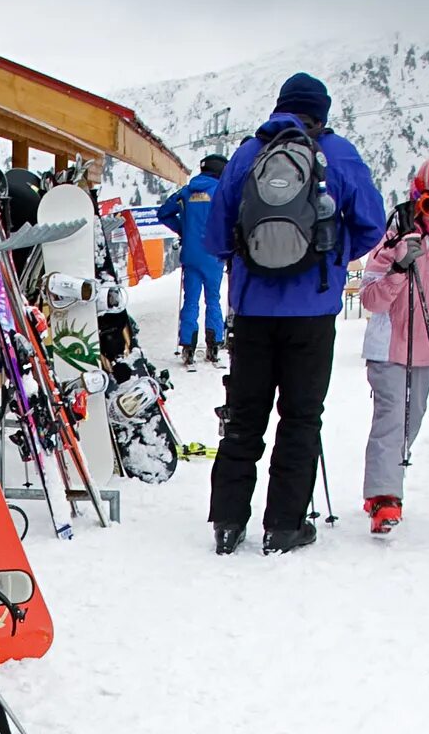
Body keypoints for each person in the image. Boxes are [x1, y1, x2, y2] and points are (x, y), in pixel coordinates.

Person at [206, 71, 386, 556]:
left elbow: (217, 235)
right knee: (301, 417)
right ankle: (284, 527)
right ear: (321, 114)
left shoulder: (248, 155)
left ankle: (227, 523)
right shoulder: (339, 154)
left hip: (252, 311)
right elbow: (373, 225)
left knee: (244, 417)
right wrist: (328, 254)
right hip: (313, 309)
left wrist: (248, 260)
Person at [353, 155, 429, 534]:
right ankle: (387, 497)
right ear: (417, 199)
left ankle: (379, 489)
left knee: (412, 419)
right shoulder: (393, 237)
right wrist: (398, 270)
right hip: (388, 346)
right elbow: (370, 299)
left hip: (427, 346)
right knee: (391, 418)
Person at [153, 153, 229, 366]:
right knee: (213, 299)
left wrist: (184, 231)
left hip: (191, 254)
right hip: (214, 255)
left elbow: (163, 213)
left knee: (191, 300)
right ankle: (214, 346)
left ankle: (188, 345)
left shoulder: (186, 192)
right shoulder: (221, 192)